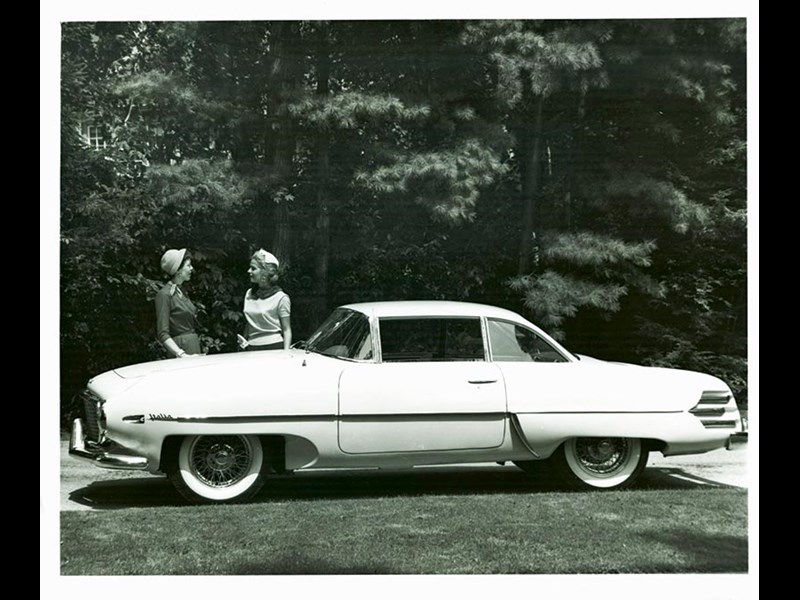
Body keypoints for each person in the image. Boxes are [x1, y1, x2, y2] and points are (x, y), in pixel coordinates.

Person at [238, 249, 292, 351]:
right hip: (251, 347)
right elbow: (249, 323)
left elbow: (286, 329)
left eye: (253, 268)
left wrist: (286, 353)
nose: (249, 271)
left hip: (273, 347)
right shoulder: (249, 293)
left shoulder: (281, 298)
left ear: (264, 273)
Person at [155, 248, 201, 358]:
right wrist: (181, 354)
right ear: (178, 270)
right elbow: (162, 333)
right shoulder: (164, 295)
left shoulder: (182, 291)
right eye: (188, 265)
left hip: (193, 345)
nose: (192, 268)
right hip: (180, 349)